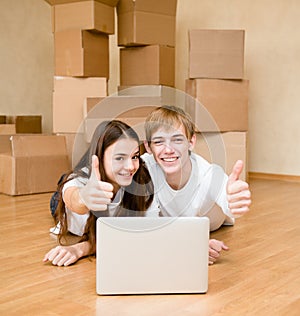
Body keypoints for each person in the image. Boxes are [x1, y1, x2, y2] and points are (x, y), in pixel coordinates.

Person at [142, 105, 251, 265]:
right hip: (175, 226)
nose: (168, 150)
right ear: (148, 147)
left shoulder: (208, 174)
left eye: (177, 140)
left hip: (211, 221)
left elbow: (224, 194)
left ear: (191, 142)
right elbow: (148, 226)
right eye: (159, 142)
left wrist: (232, 200)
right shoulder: (144, 168)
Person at [43, 120, 157, 266]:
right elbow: (73, 198)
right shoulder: (80, 181)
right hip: (62, 202)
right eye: (119, 158)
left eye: (134, 156)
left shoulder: (141, 179)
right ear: (100, 157)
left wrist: (81, 249)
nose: (130, 166)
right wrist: (84, 197)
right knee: (63, 187)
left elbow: (128, 235)